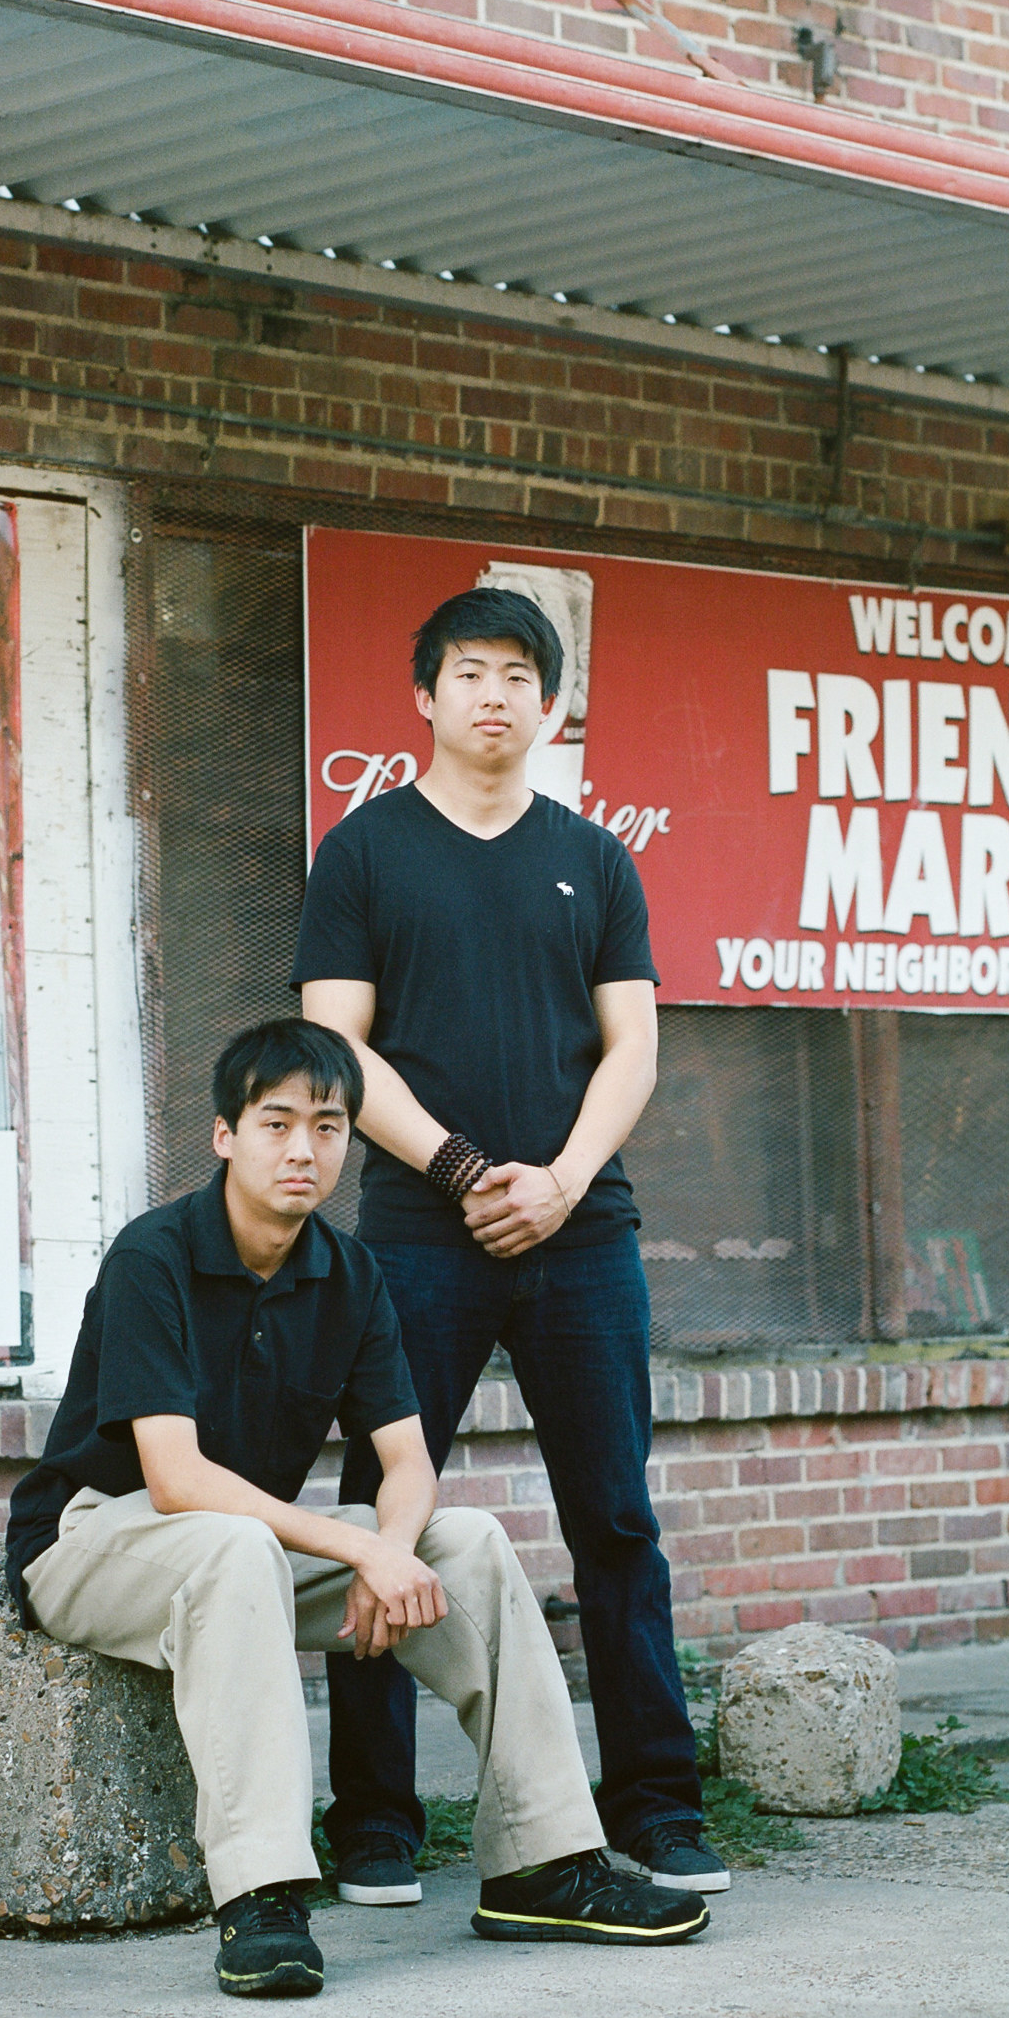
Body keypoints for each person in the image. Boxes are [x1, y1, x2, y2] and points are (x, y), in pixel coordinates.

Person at [4, 1017, 710, 1998]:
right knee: (236, 1549)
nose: (303, 1150)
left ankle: (543, 1863)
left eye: (328, 1127)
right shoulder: (153, 1255)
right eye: (276, 1123)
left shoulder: (347, 1274)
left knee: (462, 1541)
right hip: (91, 1542)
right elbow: (174, 1479)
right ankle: (262, 1897)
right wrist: (355, 1545)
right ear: (224, 1136)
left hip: (228, 1551)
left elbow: (406, 1460)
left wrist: (391, 1546)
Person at [295, 585, 727, 1906]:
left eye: (517, 676)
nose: (493, 695)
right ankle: (373, 1817)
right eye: (467, 672)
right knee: (390, 1516)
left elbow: (634, 1044)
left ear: (551, 706)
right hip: (420, 1235)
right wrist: (470, 1170)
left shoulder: (593, 859)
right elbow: (337, 1046)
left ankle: (653, 1801)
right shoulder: (364, 852)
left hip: (582, 1234)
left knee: (615, 1515)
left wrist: (562, 1179)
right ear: (423, 696)